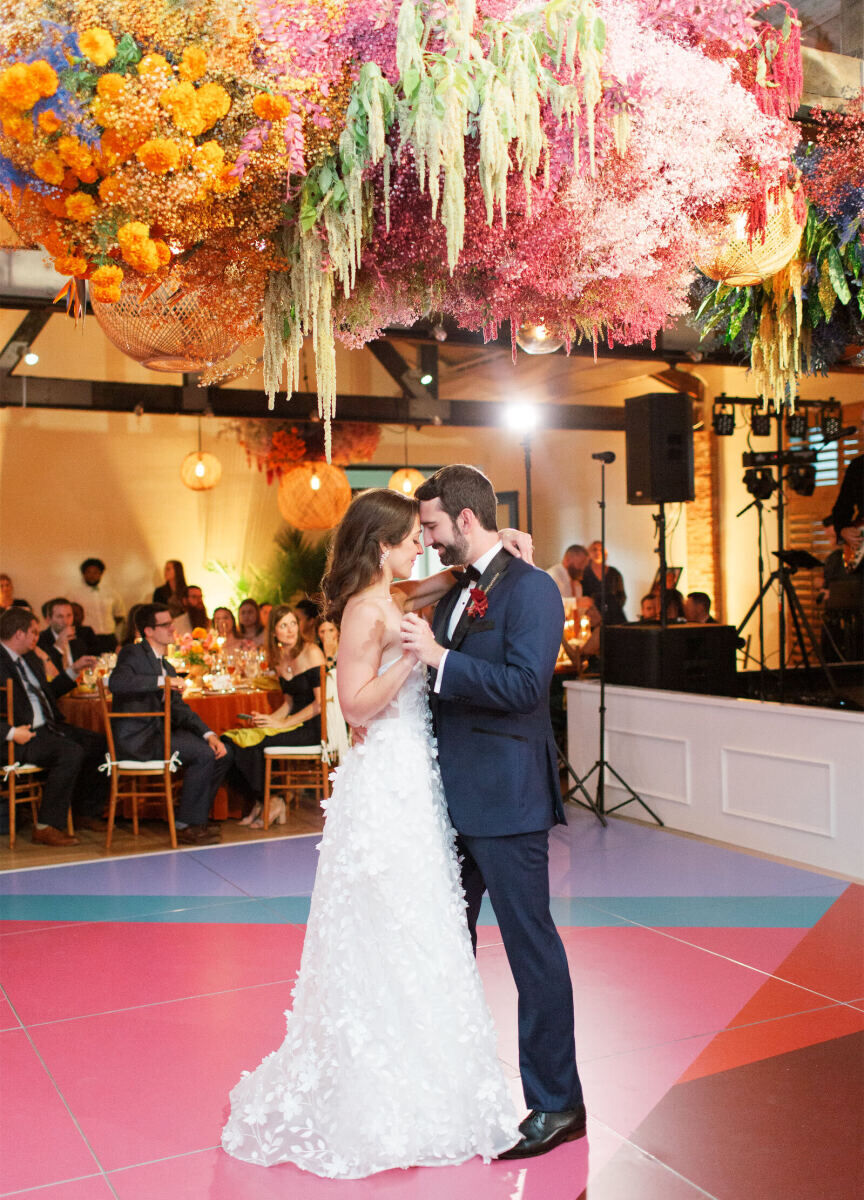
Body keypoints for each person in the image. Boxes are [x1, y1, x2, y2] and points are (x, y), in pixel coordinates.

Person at [222, 488, 532, 1178]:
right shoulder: (367, 610)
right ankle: (380, 1085)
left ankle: (429, 1067)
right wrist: (414, 658)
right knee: (390, 917)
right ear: (380, 546)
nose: (419, 545)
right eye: (407, 538)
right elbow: (353, 702)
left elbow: (451, 577)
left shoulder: (397, 596)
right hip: (385, 780)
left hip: (413, 777)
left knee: (423, 919)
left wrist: (505, 544)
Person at [400, 465, 585, 1160]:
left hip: (507, 803)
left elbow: (524, 686)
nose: (428, 539)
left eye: (433, 527)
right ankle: (450, 1088)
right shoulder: (462, 588)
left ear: (465, 520)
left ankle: (558, 1103)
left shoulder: (533, 589)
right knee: (442, 947)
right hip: (453, 805)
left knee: (531, 953)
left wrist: (442, 659)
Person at [109, 604, 233, 846]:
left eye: (171, 623)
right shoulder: (133, 653)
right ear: (149, 631)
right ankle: (186, 826)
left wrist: (208, 734)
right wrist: (162, 681)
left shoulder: (167, 666)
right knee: (203, 755)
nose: (172, 628)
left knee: (222, 753)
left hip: (158, 734)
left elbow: (180, 710)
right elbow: (118, 682)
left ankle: (195, 820)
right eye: (165, 624)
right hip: (138, 739)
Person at [0, 606, 108, 843]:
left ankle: (84, 812)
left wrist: (73, 671)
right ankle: (46, 825)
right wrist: (10, 732)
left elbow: (48, 693)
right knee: (69, 752)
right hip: (20, 736)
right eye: (33, 633)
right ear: (19, 634)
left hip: (48, 727)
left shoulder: (29, 658)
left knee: (100, 743)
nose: (37, 638)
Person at [225, 605, 326, 828]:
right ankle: (266, 799)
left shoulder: (312, 652)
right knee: (232, 742)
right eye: (283, 625)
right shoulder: (280, 658)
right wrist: (268, 719)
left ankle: (275, 799)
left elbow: (320, 704)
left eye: (293, 623)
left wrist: (281, 723)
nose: (290, 630)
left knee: (256, 745)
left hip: (313, 727)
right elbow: (289, 703)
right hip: (292, 723)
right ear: (274, 632)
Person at [68, 557, 123, 649]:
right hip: (86, 637)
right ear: (83, 574)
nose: (92, 576)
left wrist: (109, 625)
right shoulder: (73, 594)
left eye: (95, 572)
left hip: (109, 636)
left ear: (101, 574)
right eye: (88, 572)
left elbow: (119, 614)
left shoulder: (111, 592)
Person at [38, 597, 94, 673]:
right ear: (49, 620)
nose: (66, 621)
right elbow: (46, 670)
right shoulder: (40, 639)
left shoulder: (79, 636)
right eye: (60, 616)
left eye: (69, 615)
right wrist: (58, 646)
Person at [580, 540, 627, 624]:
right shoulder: (583, 573)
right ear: (589, 554)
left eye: (601, 550)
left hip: (613, 619)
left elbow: (621, 596)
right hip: (590, 619)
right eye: (594, 549)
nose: (598, 552)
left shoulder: (614, 573)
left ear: (605, 554)